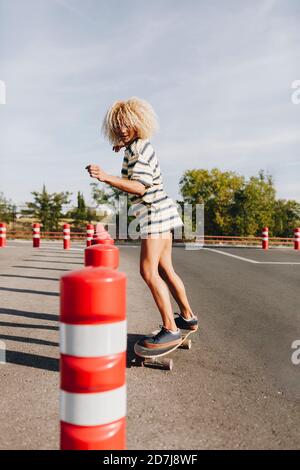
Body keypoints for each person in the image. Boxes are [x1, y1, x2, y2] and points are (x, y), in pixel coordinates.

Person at [86, 97, 198, 349]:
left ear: (139, 122)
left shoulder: (138, 150)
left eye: (127, 124)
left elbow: (138, 187)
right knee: (165, 270)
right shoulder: (138, 146)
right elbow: (135, 163)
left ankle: (170, 328)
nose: (122, 129)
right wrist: (122, 146)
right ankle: (188, 318)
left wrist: (106, 177)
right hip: (163, 212)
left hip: (154, 214)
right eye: (118, 125)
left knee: (148, 272)